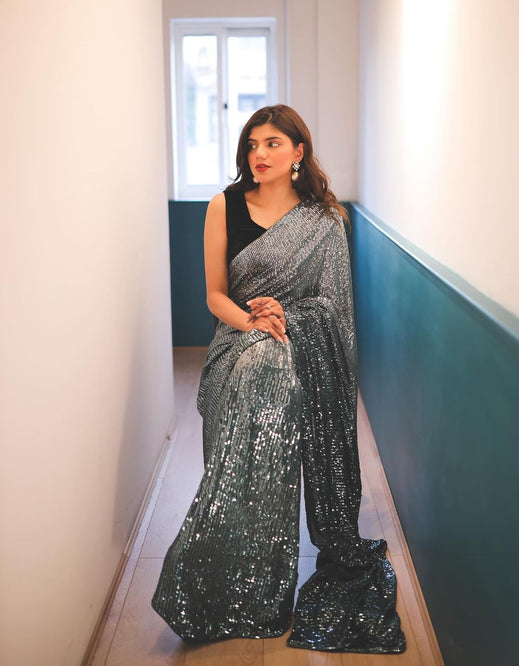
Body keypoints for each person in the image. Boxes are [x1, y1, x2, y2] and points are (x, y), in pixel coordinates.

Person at [152, 105, 406, 654]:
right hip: (237, 340)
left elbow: (332, 309)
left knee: (274, 375)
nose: (259, 154)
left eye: (272, 143)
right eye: (252, 144)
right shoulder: (223, 206)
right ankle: (230, 575)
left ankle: (259, 585)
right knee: (259, 374)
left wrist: (287, 318)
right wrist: (256, 323)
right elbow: (214, 294)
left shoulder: (324, 221)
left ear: (298, 152)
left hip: (299, 346)